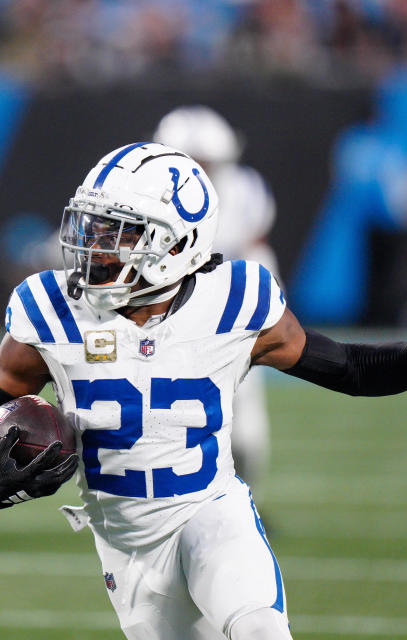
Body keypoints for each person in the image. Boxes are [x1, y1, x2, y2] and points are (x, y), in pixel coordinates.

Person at [0, 141, 407, 639]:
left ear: (177, 245)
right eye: (94, 227)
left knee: (260, 627)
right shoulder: (51, 310)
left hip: (209, 511)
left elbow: (346, 367)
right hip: (124, 543)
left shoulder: (236, 301)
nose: (95, 247)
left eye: (119, 234)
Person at [153, 105, 278, 496]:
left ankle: (243, 500)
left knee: (246, 427)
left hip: (231, 316)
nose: (205, 170)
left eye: (210, 161)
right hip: (170, 321)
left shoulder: (243, 189)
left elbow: (258, 256)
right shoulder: (148, 195)